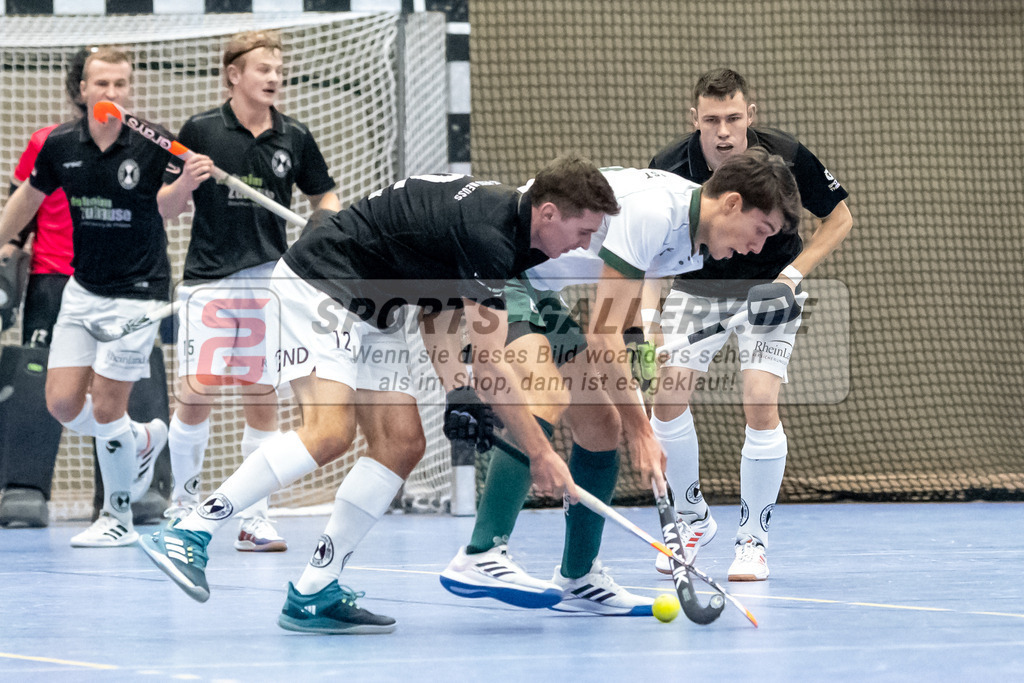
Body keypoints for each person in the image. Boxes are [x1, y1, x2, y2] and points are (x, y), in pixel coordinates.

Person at [139, 157, 621, 633]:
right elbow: (491, 361)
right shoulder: (490, 233)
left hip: (379, 307)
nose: (586, 244)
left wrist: (457, 388)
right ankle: (190, 530)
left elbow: (439, 306)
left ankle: (314, 591)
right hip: (321, 283)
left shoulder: (514, 233)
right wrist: (540, 455)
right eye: (583, 231)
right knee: (329, 433)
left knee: (402, 443)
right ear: (550, 212)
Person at [436, 149, 802, 614]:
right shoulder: (657, 212)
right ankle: (482, 552)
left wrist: (634, 381)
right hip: (499, 270)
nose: (757, 248)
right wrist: (644, 430)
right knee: (546, 394)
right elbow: (603, 332)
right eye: (760, 231)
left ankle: (578, 578)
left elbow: (619, 322)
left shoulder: (693, 243)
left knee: (601, 427)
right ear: (731, 203)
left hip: (539, 289)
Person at [647, 68, 853, 581]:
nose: (722, 131)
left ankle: (752, 542)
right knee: (667, 394)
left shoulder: (785, 155)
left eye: (733, 118)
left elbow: (841, 217)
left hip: (769, 287)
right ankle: (691, 518)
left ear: (749, 117)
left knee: (760, 399)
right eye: (711, 119)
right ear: (693, 120)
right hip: (697, 287)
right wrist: (649, 319)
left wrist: (791, 276)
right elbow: (649, 251)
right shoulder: (669, 168)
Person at [0, 47, 199, 546]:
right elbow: (28, 197)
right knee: (62, 403)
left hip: (138, 294)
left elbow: (171, 209)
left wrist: (188, 179)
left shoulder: (155, 144)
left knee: (108, 408)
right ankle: (143, 438)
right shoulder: (60, 143)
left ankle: (118, 518)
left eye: (120, 84)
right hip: (81, 289)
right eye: (102, 84)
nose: (112, 93)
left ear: (128, 90)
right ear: (83, 91)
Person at [157, 30, 340, 552]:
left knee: (262, 397)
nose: (274, 78)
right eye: (263, 69)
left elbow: (323, 192)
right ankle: (184, 504)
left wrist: (323, 221)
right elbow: (166, 208)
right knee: (196, 393)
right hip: (209, 280)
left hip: (268, 279)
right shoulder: (201, 130)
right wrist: (187, 182)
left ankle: (254, 517)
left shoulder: (294, 136)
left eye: (278, 69)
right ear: (234, 75)